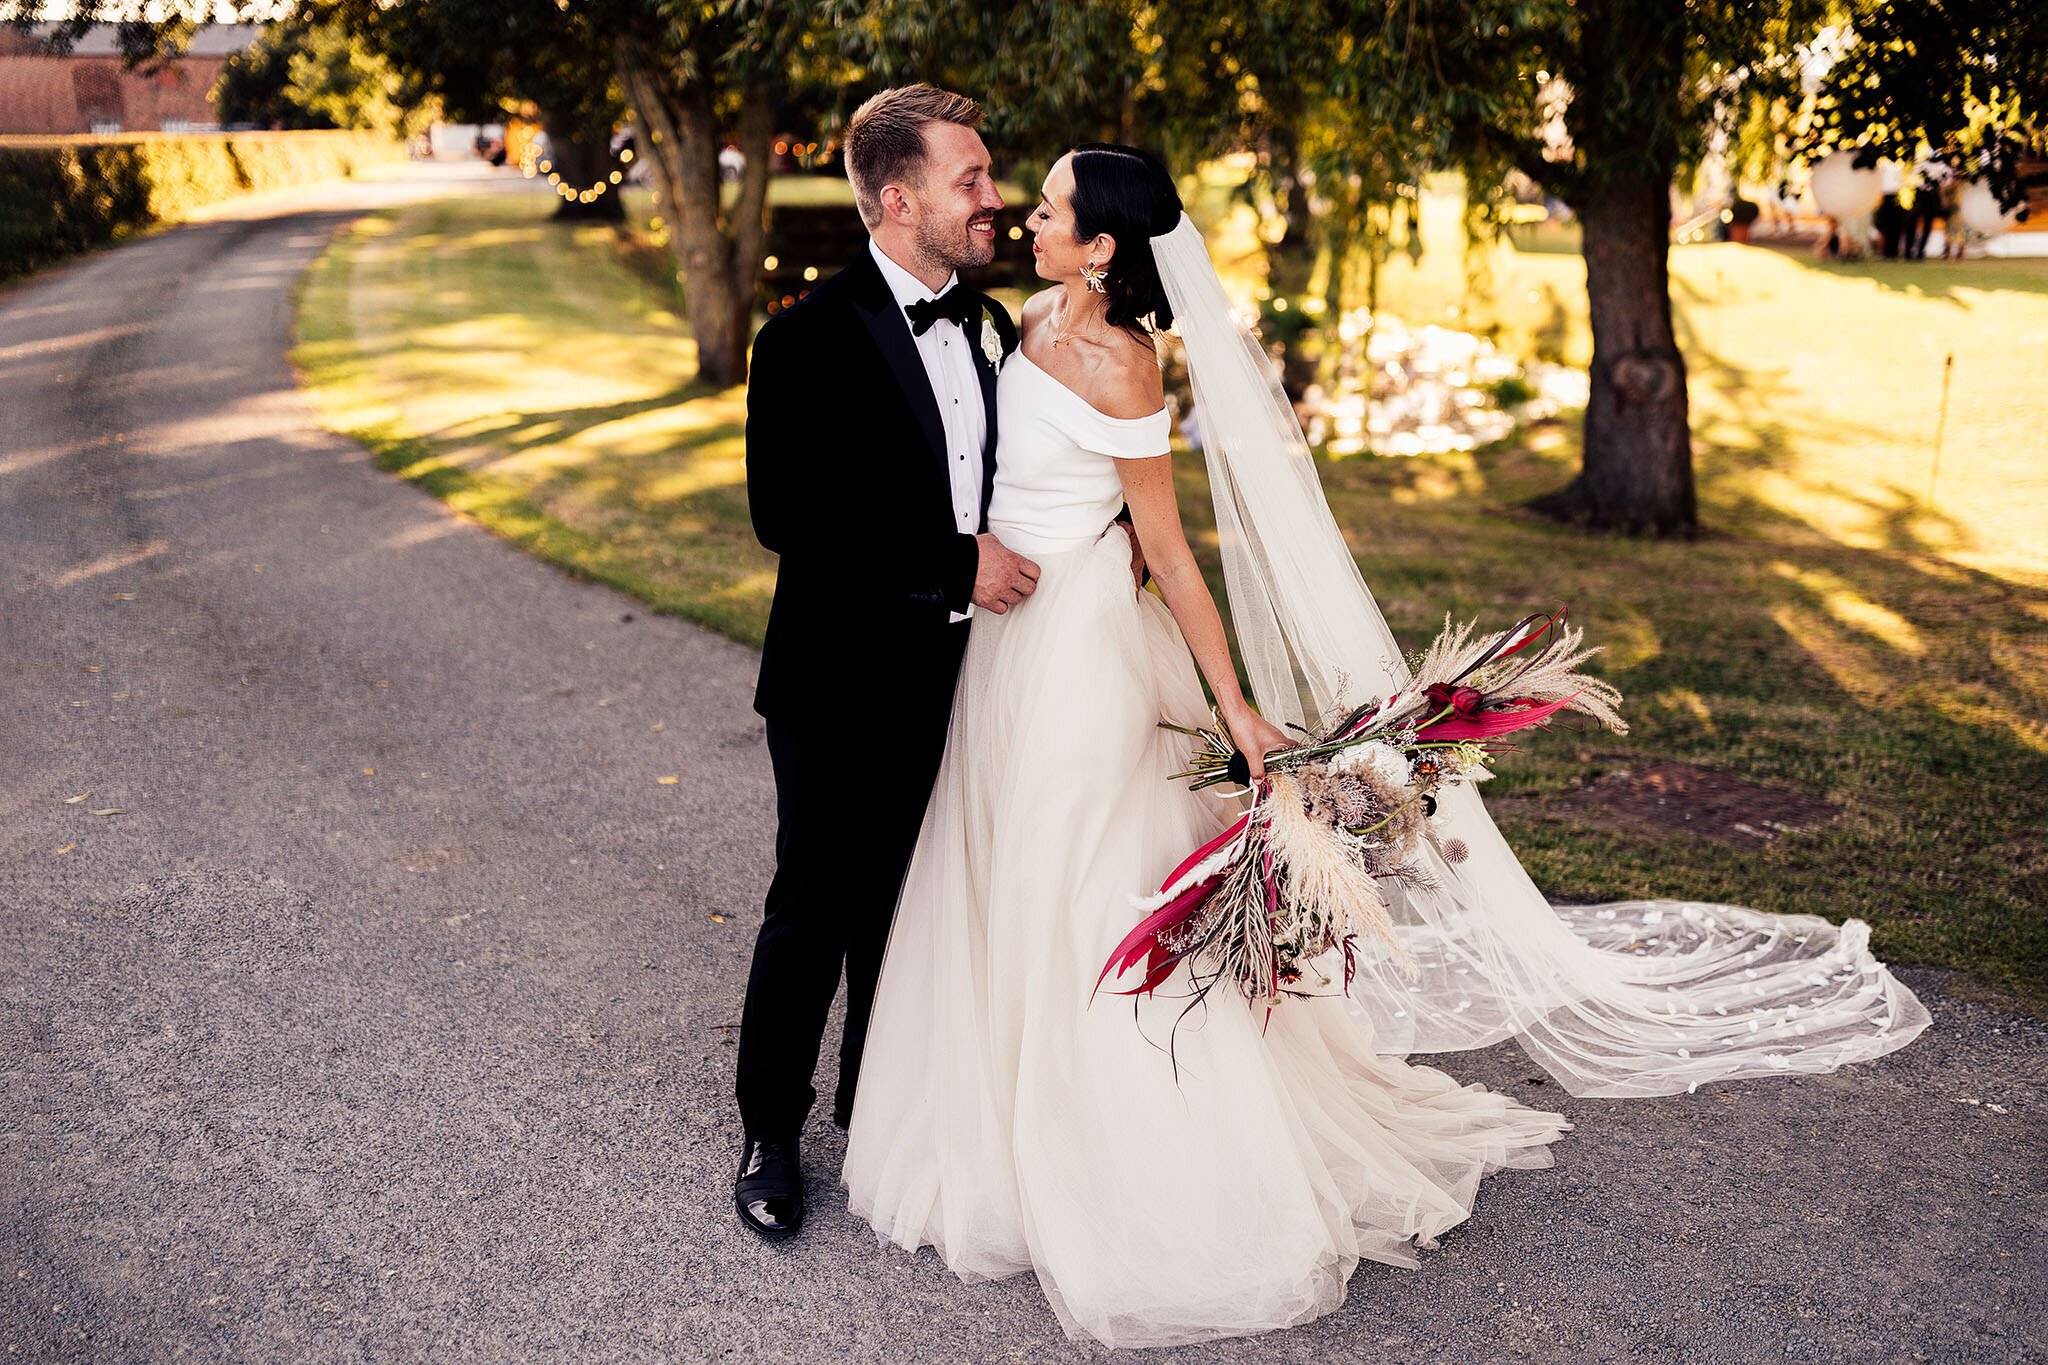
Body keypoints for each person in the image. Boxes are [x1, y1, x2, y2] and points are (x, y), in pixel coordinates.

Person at [841, 142, 1928, 1349]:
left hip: (1084, 657)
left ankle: (1125, 1165)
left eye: (1043, 207)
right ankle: (993, 1129)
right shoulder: (1025, 314)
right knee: (993, 871)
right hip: (998, 646)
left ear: (1101, 247)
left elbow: (1172, 547)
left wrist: (1236, 704)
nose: (1021, 217)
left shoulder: (1125, 370)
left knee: (1074, 888)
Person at [731, 84, 1036, 1241]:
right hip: (838, 676)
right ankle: (769, 1128)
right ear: (896, 197)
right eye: (971, 179)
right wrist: (953, 564)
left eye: (991, 177)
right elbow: (789, 516)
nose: (993, 199)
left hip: (963, 675)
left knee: (910, 903)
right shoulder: (804, 336)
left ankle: (877, 1103)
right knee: (815, 902)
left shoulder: (995, 324)